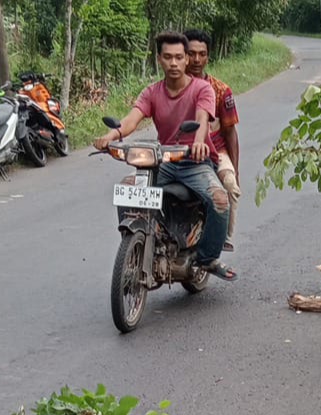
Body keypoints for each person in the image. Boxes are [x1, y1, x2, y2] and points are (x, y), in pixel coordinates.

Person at [93, 31, 237, 281]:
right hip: (165, 161)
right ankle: (137, 242)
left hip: (195, 161)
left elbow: (202, 119)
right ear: (158, 59)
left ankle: (207, 257)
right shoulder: (152, 92)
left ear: (185, 60)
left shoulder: (203, 89)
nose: (173, 63)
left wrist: (200, 142)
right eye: (167, 57)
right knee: (127, 188)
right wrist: (112, 135)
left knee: (221, 200)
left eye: (179, 57)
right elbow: (132, 119)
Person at [184, 28, 242, 252]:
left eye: (202, 53)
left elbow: (230, 132)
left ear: (208, 56)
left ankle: (223, 238)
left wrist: (234, 170)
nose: (196, 59)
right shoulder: (173, 86)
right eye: (191, 53)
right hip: (178, 152)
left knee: (230, 186)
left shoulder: (220, 91)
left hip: (214, 152)